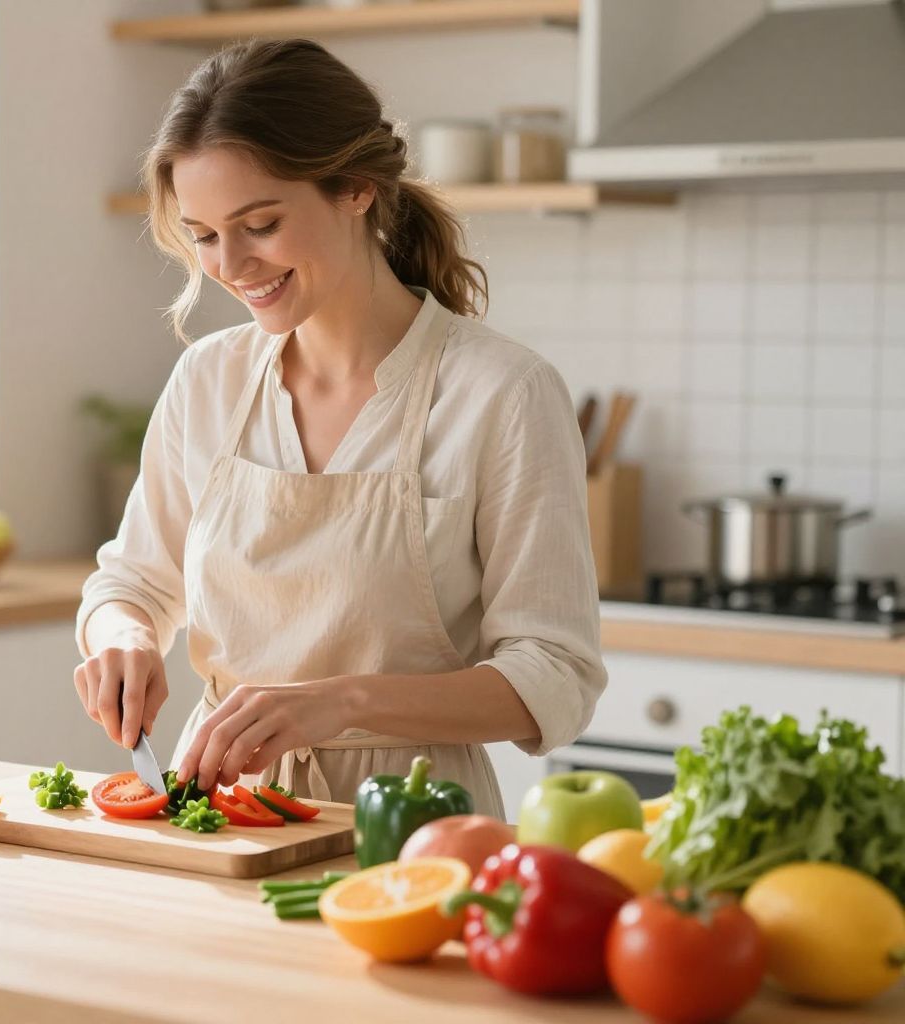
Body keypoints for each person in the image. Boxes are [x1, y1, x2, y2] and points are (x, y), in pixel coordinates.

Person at [71, 39, 606, 817]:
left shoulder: (503, 393)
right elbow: (134, 583)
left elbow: (556, 673)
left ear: (355, 188)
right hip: (220, 811)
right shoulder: (208, 379)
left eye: (259, 223)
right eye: (205, 234)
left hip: (415, 824)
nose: (231, 264)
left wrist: (343, 702)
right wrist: (121, 638)